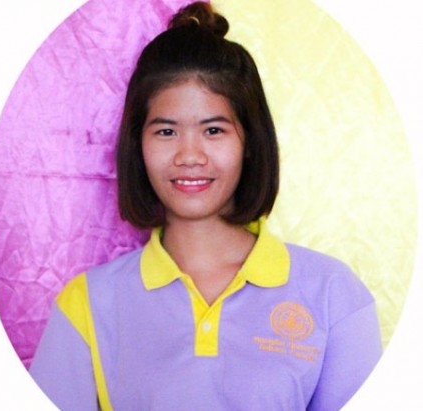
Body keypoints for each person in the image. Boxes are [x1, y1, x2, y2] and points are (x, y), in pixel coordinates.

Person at [29, 2, 383, 410]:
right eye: (166, 132)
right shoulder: (88, 304)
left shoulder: (334, 295)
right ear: (137, 145)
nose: (189, 156)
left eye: (213, 130)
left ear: (250, 142)